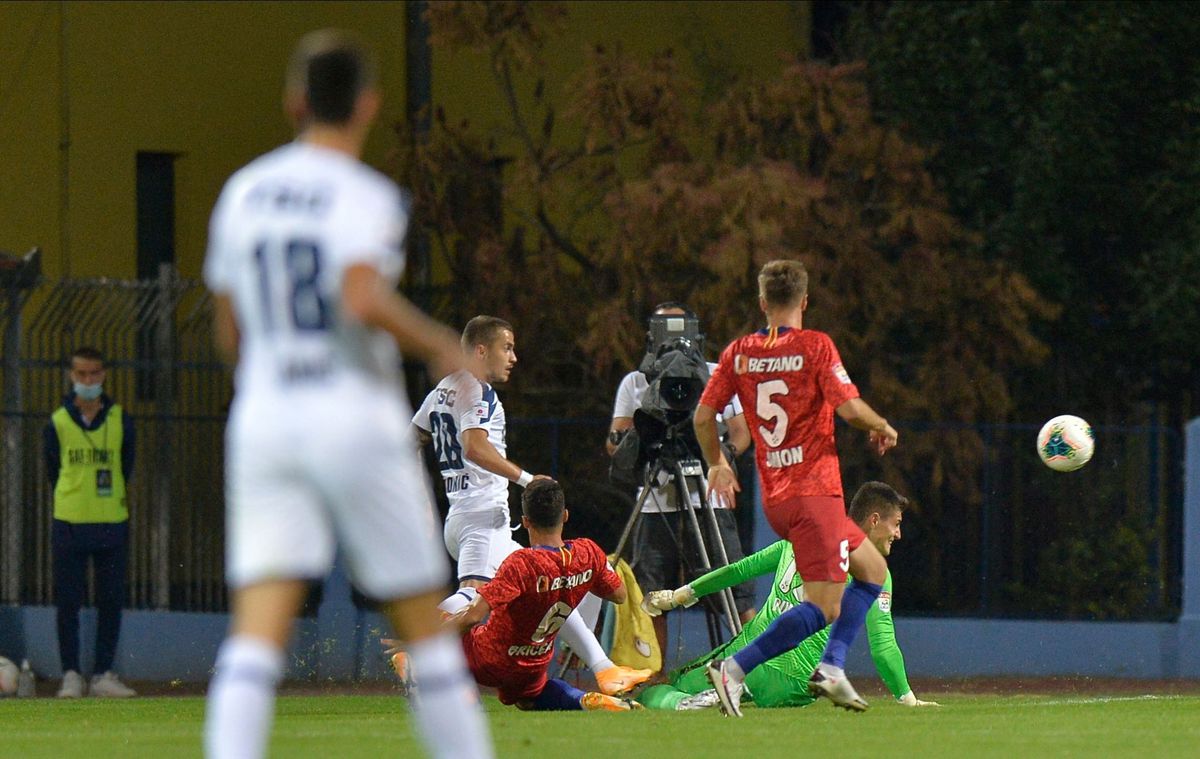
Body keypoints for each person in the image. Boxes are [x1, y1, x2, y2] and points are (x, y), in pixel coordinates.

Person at [202, 30, 491, 759]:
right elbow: (359, 292)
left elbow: (229, 332)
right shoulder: (366, 195)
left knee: (256, 633)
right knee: (425, 628)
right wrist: (440, 345)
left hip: (266, 418)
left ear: (293, 101)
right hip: (353, 417)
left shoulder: (243, 191)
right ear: (368, 105)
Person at [695, 259, 898, 716]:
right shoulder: (815, 346)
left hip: (778, 497)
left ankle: (832, 666)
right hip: (815, 494)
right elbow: (849, 409)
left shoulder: (738, 353)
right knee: (824, 607)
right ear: (805, 301)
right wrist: (882, 424)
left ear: (763, 302)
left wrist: (716, 463)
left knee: (871, 569)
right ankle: (735, 669)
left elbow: (703, 417)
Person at [412, 315, 650, 696]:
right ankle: (418, 651)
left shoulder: (443, 389)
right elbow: (475, 447)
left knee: (552, 584)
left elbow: (413, 438)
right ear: (480, 350)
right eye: (506, 347)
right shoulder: (476, 391)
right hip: (481, 515)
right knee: (474, 593)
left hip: (464, 514)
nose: (514, 357)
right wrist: (526, 479)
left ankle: (605, 669)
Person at [638, 482, 939, 710]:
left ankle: (690, 702)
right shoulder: (875, 572)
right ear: (874, 520)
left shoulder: (797, 542)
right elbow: (883, 645)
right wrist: (908, 699)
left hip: (749, 656)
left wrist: (681, 595)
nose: (898, 534)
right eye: (896, 524)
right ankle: (733, 692)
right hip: (794, 683)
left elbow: (737, 571)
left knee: (661, 687)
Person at [606, 303, 756, 663]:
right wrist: (645, 431)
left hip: (709, 497)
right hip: (657, 499)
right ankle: (654, 671)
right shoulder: (636, 381)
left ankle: (753, 666)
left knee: (733, 587)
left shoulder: (715, 374)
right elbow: (616, 441)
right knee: (651, 591)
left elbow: (741, 432)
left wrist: (722, 457)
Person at [439, 479, 642, 711]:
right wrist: (579, 578)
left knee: (450, 619)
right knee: (529, 700)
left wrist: (421, 642)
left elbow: (473, 616)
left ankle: (436, 681)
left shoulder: (521, 563)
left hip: (490, 660)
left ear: (525, 521)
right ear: (564, 515)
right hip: (533, 666)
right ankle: (583, 700)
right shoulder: (587, 554)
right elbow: (619, 595)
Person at [42, 346, 137, 699]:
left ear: (104, 375)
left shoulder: (120, 419)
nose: (88, 380)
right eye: (81, 374)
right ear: (71, 375)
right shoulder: (58, 421)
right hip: (69, 520)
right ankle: (71, 674)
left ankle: (102, 674)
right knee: (69, 601)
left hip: (111, 520)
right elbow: (53, 469)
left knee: (110, 601)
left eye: (94, 374)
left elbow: (126, 467)